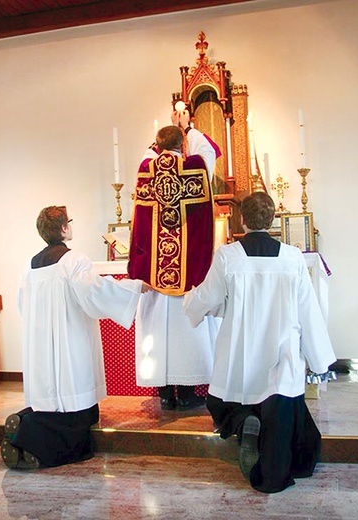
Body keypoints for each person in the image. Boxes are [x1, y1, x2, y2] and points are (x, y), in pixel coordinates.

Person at [183, 192, 336, 493]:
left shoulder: (228, 256)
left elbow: (209, 297)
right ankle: (275, 457)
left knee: (223, 401)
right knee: (283, 406)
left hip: (240, 354)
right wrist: (319, 360)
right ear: (273, 220)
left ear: (242, 220)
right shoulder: (292, 258)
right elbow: (308, 310)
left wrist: (191, 301)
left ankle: (243, 422)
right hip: (281, 353)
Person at [0, 205, 149, 470]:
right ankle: (30, 436)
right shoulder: (73, 260)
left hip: (41, 347)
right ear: (64, 228)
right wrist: (135, 287)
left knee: (50, 404)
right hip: (71, 342)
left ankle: (27, 423)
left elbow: (23, 305)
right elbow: (96, 292)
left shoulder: (30, 266)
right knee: (77, 410)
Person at [128, 110, 219, 411]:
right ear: (183, 144)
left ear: (156, 145)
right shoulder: (194, 166)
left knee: (157, 329)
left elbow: (148, 152)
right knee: (185, 330)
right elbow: (208, 151)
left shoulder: (146, 169)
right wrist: (188, 128)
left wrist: (161, 141)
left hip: (154, 271)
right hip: (187, 269)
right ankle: (189, 391)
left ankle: (165, 393)